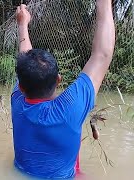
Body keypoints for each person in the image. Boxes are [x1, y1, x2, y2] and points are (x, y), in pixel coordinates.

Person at [11, 0, 115, 179]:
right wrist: (104, 4)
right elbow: (102, 55)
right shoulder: (68, 109)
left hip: (21, 171)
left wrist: (22, 26)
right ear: (58, 80)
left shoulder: (17, 102)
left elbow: (24, 59)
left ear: (21, 86)